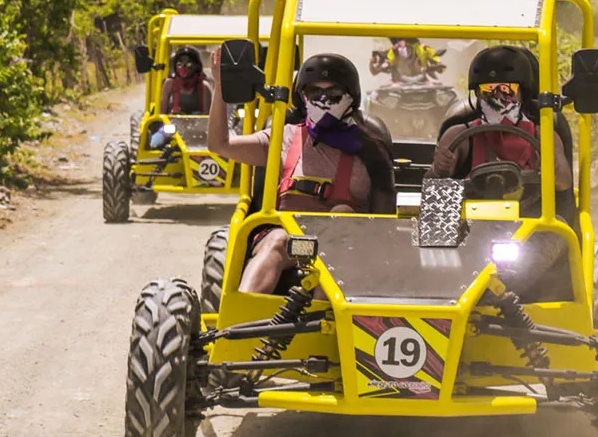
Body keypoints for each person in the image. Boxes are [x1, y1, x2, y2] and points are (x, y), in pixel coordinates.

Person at [208, 51, 396, 295]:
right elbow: (219, 145)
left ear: (351, 98)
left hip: (345, 247)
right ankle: (241, 314)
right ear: (302, 97)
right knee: (277, 240)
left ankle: (322, 322)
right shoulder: (282, 137)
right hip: (286, 238)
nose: (323, 100)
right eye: (315, 93)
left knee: (341, 217)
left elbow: (383, 219)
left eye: (333, 94)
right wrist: (220, 89)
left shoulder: (370, 150)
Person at [428, 45, 575, 220]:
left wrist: (549, 166)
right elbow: (431, 190)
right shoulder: (459, 135)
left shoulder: (543, 136)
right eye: (488, 90)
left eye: (507, 89)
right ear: (477, 94)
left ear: (522, 93)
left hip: (531, 226)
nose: (498, 97)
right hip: (471, 226)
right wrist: (438, 170)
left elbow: (563, 184)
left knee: (555, 226)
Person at [160, 46, 212, 115]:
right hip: (172, 123)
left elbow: (207, 116)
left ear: (196, 66)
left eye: (189, 63)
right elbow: (162, 113)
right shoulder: (169, 84)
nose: (184, 67)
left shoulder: (204, 86)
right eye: (180, 63)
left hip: (196, 124)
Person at [370, 37, 443, 81]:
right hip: (400, 84)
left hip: (423, 82)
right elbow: (377, 70)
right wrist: (374, 65)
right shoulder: (394, 51)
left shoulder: (424, 49)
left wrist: (437, 66)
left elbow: (439, 66)